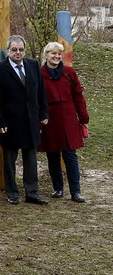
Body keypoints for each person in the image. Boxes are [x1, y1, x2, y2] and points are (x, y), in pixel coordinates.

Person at [0, 35, 48, 205]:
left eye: (21, 49)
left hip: (31, 120)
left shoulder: (33, 65)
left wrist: (43, 113)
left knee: (30, 159)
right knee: (9, 160)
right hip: (10, 123)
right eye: (14, 49)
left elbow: (41, 92)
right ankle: (12, 192)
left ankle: (32, 193)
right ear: (8, 51)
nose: (18, 52)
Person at [38, 42, 89, 203]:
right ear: (46, 55)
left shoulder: (69, 73)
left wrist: (83, 118)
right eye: (53, 53)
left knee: (70, 155)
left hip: (68, 119)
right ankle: (57, 188)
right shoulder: (39, 74)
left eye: (59, 54)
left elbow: (78, 96)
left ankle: (76, 191)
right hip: (49, 120)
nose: (56, 56)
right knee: (52, 154)